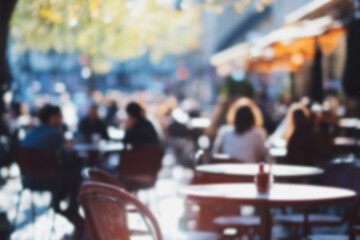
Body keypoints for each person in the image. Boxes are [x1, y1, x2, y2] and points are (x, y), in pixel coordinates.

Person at [21, 105, 84, 237]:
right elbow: (68, 158)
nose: (62, 120)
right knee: (78, 174)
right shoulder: (55, 134)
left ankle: (69, 212)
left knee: (72, 174)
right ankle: (73, 213)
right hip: (51, 181)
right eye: (60, 117)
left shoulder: (30, 133)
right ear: (52, 118)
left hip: (29, 180)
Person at [213, 98, 268, 162]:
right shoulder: (257, 134)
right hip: (248, 170)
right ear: (252, 118)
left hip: (228, 169)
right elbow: (265, 153)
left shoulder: (224, 131)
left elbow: (215, 153)